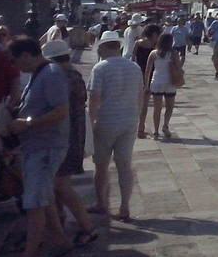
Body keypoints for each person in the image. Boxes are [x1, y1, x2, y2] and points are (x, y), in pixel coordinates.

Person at [7, 37, 73, 257]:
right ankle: (60, 241)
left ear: (26, 55)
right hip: (37, 145)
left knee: (34, 202)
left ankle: (31, 251)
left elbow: (61, 111)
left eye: (15, 60)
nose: (15, 66)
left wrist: (27, 123)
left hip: (46, 147)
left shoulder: (51, 74)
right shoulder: (40, 74)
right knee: (43, 199)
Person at [42, 40, 98, 248]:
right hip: (73, 135)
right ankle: (59, 223)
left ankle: (87, 227)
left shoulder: (61, 78)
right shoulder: (73, 75)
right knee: (57, 185)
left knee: (61, 185)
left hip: (65, 138)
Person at [87, 30, 143, 223]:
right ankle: (125, 207)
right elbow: (140, 95)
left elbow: (94, 99)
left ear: (103, 47)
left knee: (101, 166)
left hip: (106, 121)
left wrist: (90, 123)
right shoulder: (134, 67)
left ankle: (101, 203)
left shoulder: (100, 68)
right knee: (124, 165)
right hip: (128, 121)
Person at [144, 33, 180, 140]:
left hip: (157, 82)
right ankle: (165, 125)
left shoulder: (154, 53)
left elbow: (148, 70)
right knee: (169, 106)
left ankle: (156, 131)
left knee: (157, 108)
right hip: (170, 82)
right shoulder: (173, 53)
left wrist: (146, 85)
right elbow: (178, 67)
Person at [132, 24, 161, 139]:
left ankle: (140, 128)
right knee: (154, 103)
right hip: (152, 74)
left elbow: (133, 58)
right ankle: (152, 129)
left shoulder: (138, 43)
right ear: (154, 34)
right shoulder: (156, 45)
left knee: (142, 103)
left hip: (139, 73)